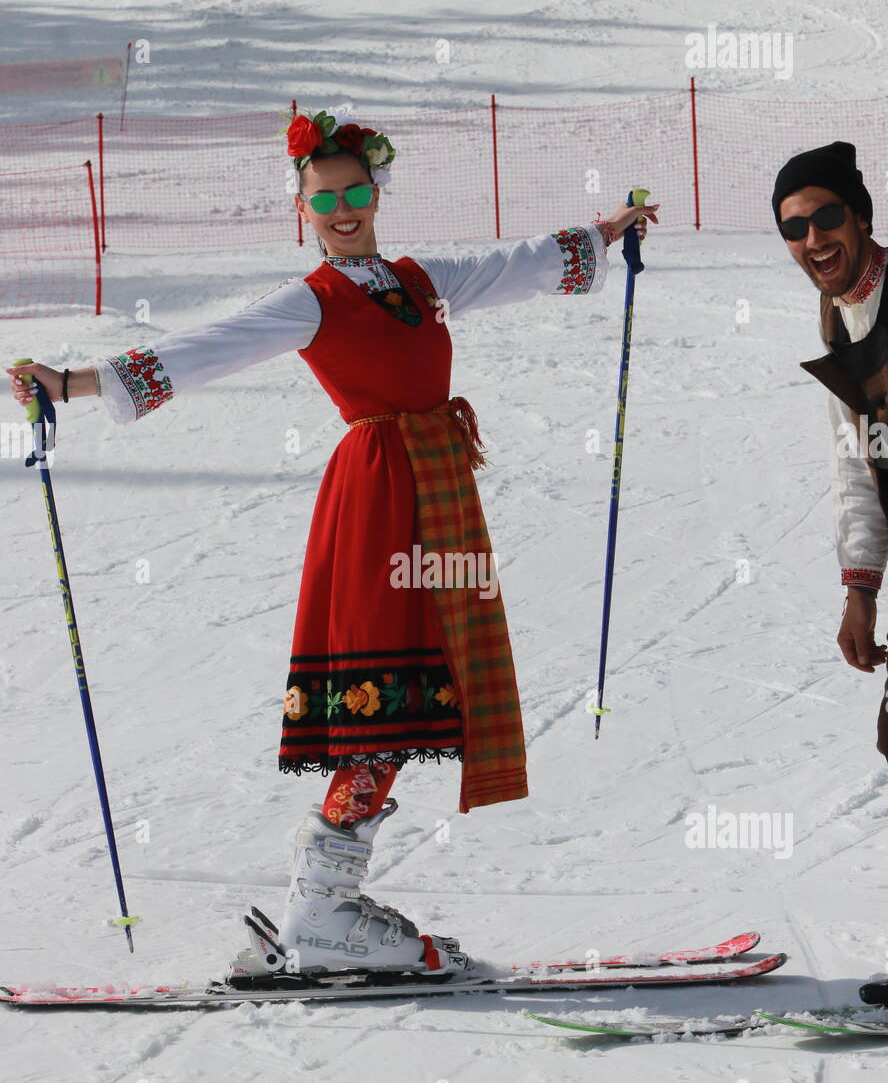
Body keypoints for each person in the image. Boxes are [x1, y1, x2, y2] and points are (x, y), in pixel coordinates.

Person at [7, 103, 659, 987]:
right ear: (302, 210)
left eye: (356, 191)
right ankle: (324, 909)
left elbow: (517, 265)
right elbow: (203, 350)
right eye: (325, 199)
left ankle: (329, 902)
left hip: (442, 492)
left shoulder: (421, 281)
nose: (344, 208)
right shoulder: (307, 302)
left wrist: (602, 231)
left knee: (434, 688)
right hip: (380, 500)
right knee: (387, 696)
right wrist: (72, 383)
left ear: (377, 192)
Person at [773, 140, 888, 1005]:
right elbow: (861, 464)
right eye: (794, 227)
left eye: (825, 217)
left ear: (861, 215)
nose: (812, 238)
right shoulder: (839, 324)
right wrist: (860, 589)